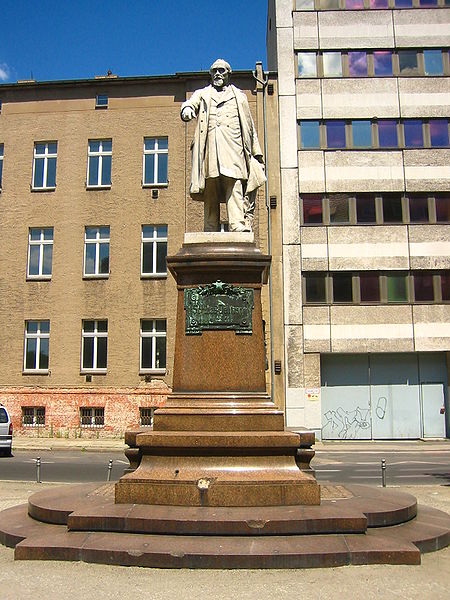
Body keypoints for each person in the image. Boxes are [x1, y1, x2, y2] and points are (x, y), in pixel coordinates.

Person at [180, 59, 266, 232]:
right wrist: (187, 110)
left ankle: (237, 224)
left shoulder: (240, 96)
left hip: (234, 147)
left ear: (229, 73)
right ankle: (210, 227)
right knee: (210, 185)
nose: (217, 74)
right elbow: (190, 104)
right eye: (214, 71)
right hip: (210, 146)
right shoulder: (203, 93)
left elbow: (249, 128)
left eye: (221, 70)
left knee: (233, 184)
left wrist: (256, 153)